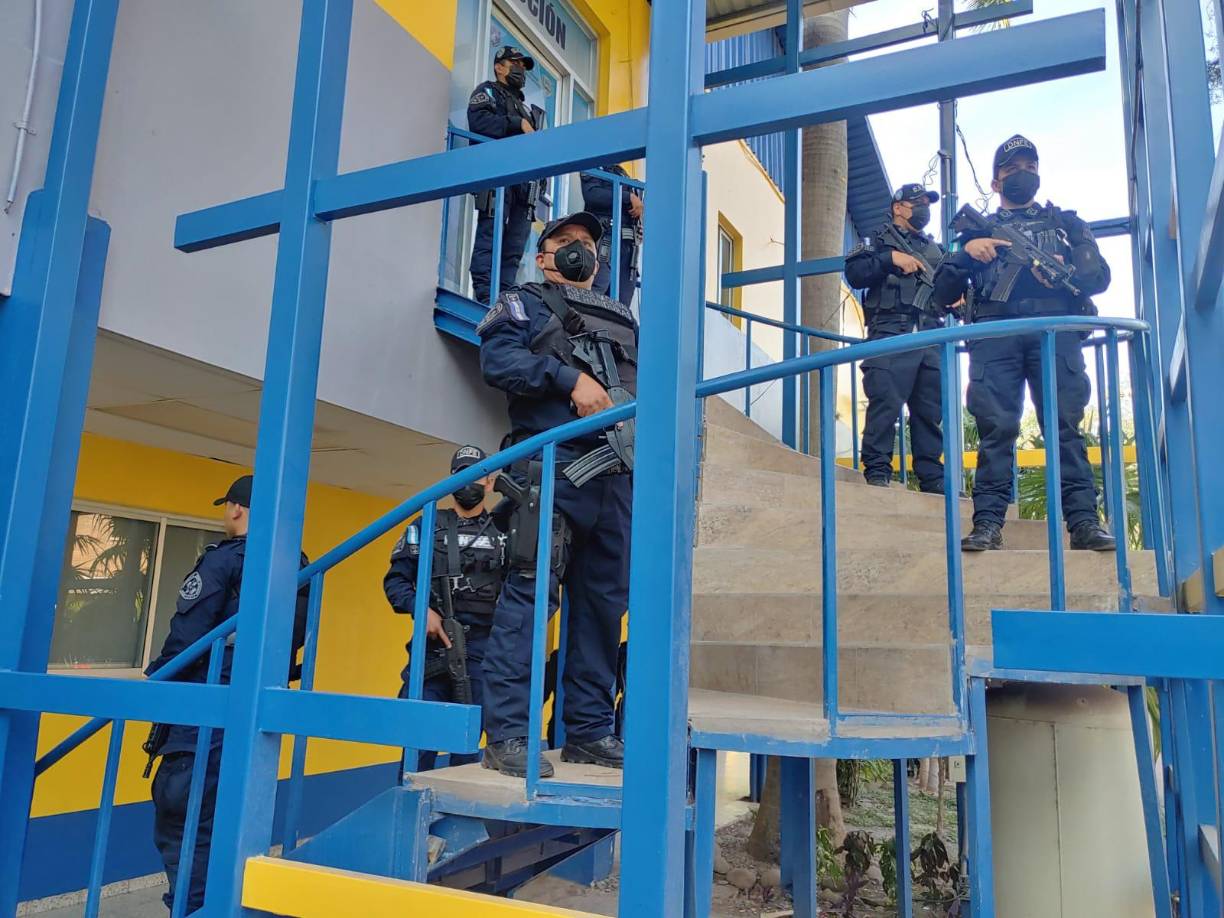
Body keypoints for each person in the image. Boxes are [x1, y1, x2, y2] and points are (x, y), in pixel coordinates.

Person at [476, 211, 635, 778]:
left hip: (616, 477)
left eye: (587, 243)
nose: (578, 250)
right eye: (564, 241)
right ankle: (508, 735)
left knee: (601, 610)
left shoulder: (623, 317)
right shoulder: (521, 302)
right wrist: (569, 379)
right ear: (543, 257)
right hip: (554, 470)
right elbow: (499, 361)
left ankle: (588, 731)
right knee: (529, 602)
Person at [932, 134, 1116, 552]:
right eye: (1012, 168)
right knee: (996, 431)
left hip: (1054, 337)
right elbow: (942, 294)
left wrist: (1070, 265)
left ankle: (1084, 522)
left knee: (1065, 430)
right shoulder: (975, 231)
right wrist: (967, 253)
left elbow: (1098, 279)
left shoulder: (1066, 224)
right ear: (995, 182)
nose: (1023, 174)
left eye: (1030, 167)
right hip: (995, 336)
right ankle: (988, 523)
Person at [144, 475, 310, 912]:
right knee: (229, 829)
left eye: (227, 507)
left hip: (204, 714)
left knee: (184, 826)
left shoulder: (224, 561)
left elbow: (186, 638)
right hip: (252, 718)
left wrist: (157, 683)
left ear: (237, 508)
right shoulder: (294, 565)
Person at [383, 445, 506, 771]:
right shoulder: (425, 525)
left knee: (466, 752)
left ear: (489, 482)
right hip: (432, 651)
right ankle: (411, 804)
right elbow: (395, 582)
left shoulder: (503, 533)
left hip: (481, 652)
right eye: (461, 475)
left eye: (477, 475)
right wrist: (421, 609)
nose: (469, 483)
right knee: (417, 743)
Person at [845, 183, 949, 493]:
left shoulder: (936, 251)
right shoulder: (877, 241)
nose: (924, 208)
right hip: (890, 332)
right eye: (917, 203)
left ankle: (932, 479)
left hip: (930, 336)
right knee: (885, 407)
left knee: (929, 413)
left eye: (927, 203)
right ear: (898, 207)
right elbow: (855, 274)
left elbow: (949, 287)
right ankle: (877, 472)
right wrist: (890, 259)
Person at [468, 46, 541, 305]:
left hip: (524, 185)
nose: (520, 70)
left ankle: (504, 299)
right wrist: (515, 123)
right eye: (515, 63)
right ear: (499, 67)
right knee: (491, 234)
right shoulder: (488, 92)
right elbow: (479, 123)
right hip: (498, 177)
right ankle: (485, 297)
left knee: (514, 248)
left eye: (523, 66)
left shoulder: (526, 109)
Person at [581, 163, 643, 308]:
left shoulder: (622, 173)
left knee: (621, 307)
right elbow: (592, 194)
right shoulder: (597, 166)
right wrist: (627, 197)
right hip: (604, 244)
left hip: (628, 249)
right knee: (593, 298)